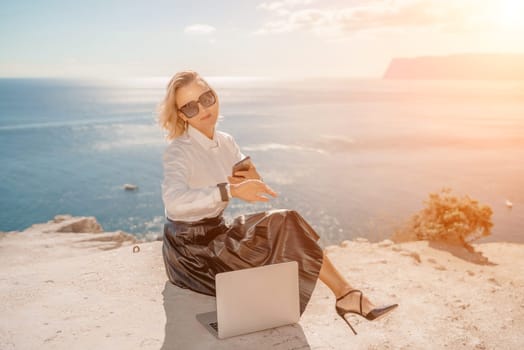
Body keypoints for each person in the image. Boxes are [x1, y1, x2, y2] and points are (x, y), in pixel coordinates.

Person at [156, 70, 398, 335]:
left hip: (217, 232)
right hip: (191, 252)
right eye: (190, 107)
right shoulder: (178, 151)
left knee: (287, 221)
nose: (202, 108)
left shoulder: (226, 141)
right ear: (181, 115)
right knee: (283, 229)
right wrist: (229, 191)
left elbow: (247, 180)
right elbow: (174, 202)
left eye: (207, 98)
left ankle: (347, 294)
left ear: (215, 96)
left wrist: (251, 178)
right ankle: (347, 297)